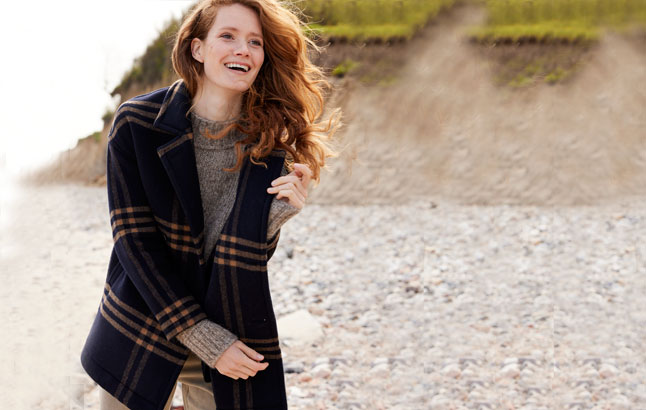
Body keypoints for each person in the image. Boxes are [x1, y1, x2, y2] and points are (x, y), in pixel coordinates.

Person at [80, 1, 340, 409]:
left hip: (228, 326)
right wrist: (204, 338)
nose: (243, 49)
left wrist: (271, 221)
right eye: (228, 36)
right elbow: (136, 246)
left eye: (255, 42)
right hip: (143, 323)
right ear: (197, 48)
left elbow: (240, 257)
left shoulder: (268, 139)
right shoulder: (138, 124)